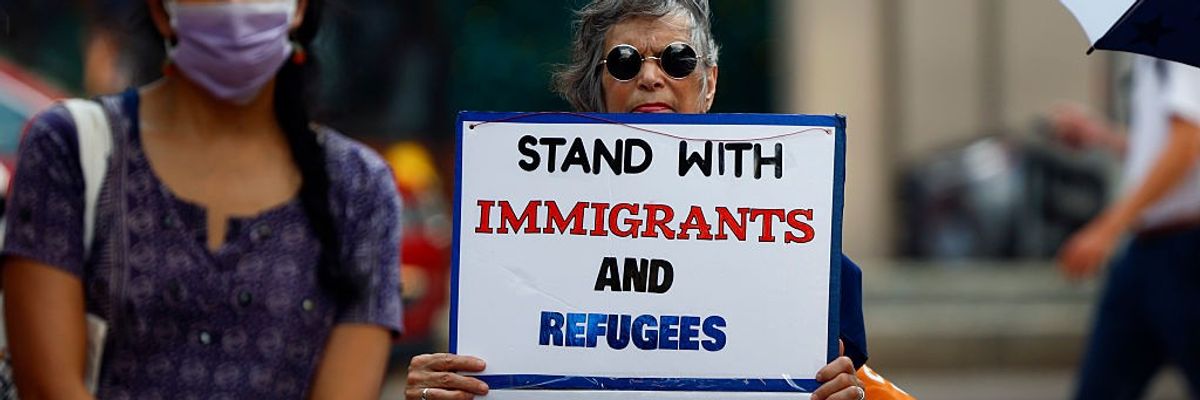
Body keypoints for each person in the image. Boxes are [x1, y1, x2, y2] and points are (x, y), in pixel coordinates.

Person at [405, 1, 869, 400]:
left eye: (677, 59)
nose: (650, 76)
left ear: (708, 82)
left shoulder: (804, 256)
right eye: (625, 61)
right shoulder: (513, 239)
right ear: (597, 87)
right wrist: (438, 389)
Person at [1, 0, 402, 398]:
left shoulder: (359, 189)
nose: (236, 7)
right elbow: (48, 387)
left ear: (298, 9)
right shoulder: (69, 147)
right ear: (162, 12)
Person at [1052, 57, 1200, 399]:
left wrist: (1107, 228)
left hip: (1184, 246)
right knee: (1103, 386)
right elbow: (1170, 146)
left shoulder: (1180, 36)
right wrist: (1103, 136)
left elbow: (1187, 144)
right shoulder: (1156, 46)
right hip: (1151, 247)